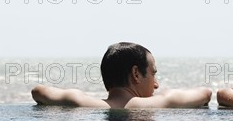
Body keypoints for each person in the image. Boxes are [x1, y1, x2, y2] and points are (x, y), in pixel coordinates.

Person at [31, 42, 212, 108]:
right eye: (153, 74)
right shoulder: (160, 103)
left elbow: (38, 91)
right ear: (136, 74)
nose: (156, 84)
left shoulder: (80, 101)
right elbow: (205, 94)